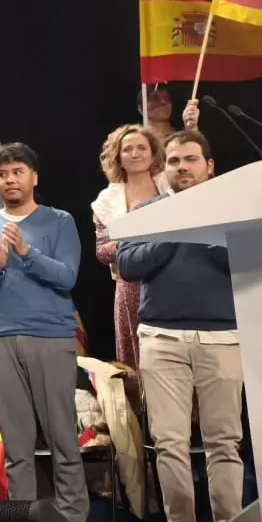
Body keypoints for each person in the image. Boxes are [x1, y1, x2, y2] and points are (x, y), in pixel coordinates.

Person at [115, 131, 242, 522]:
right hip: (161, 338)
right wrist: (174, 231)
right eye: (172, 160)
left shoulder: (234, 210)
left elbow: (246, 263)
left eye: (190, 159)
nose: (181, 166)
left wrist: (208, 232)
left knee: (223, 441)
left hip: (222, 337)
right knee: (168, 442)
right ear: (163, 168)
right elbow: (128, 265)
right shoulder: (149, 212)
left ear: (210, 165)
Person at [0, 144, 85, 522]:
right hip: (0, 339)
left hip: (51, 337)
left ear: (34, 177)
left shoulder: (59, 221)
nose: (9, 179)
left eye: (18, 172)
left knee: (63, 440)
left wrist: (25, 252)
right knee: (17, 445)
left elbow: (67, 277)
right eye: (2, 174)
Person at [91, 124, 167, 373]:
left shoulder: (170, 187)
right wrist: (135, 240)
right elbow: (102, 251)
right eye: (128, 149)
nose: (135, 154)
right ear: (118, 157)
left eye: (141, 148)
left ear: (153, 153)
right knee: (137, 366)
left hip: (171, 282)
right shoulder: (106, 200)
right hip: (130, 288)